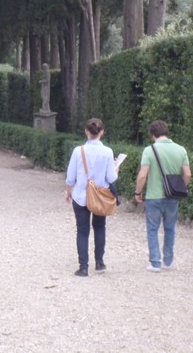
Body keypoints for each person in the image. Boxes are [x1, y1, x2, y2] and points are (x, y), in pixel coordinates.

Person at [134, 120, 191, 272]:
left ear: (153, 135)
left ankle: (155, 262)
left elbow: (142, 175)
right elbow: (188, 174)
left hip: (153, 196)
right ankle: (168, 261)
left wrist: (138, 192)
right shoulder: (181, 150)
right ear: (167, 133)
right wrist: (180, 187)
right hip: (172, 196)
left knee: (152, 229)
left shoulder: (149, 150)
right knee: (170, 228)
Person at [65, 118, 117, 277]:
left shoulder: (78, 151)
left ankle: (83, 267)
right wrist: (116, 168)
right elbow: (112, 178)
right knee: (100, 227)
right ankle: (100, 262)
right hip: (100, 196)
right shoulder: (108, 152)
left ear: (86, 131)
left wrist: (68, 191)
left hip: (81, 195)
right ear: (102, 132)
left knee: (82, 231)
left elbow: (70, 176)